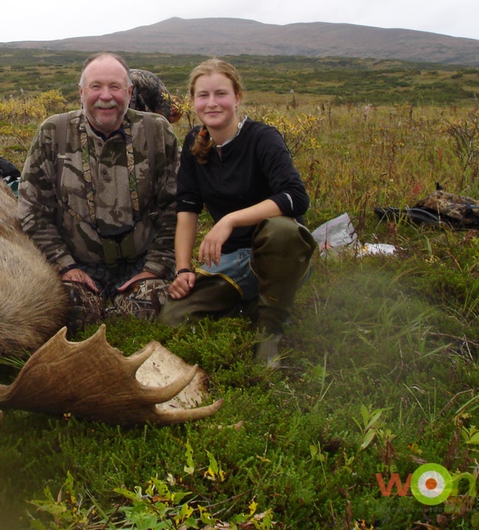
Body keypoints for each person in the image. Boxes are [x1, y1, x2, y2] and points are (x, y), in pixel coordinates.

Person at [157, 58, 316, 366]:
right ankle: (253, 306)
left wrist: (230, 219)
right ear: (193, 101)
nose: (212, 103)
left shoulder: (262, 138)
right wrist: (183, 270)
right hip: (233, 260)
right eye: (203, 95)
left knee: (281, 228)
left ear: (237, 97)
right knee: (172, 318)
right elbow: (187, 208)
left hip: (279, 257)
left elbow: (295, 197)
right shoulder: (193, 142)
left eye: (221, 94)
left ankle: (270, 333)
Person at [18, 53, 179, 330]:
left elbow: (176, 208)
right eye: (96, 87)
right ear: (81, 92)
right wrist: (64, 266)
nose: (106, 96)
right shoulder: (53, 133)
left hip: (143, 267)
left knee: (167, 311)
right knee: (58, 316)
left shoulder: (157, 132)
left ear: (129, 92)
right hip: (76, 269)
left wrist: (154, 268)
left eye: (115, 87)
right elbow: (33, 210)